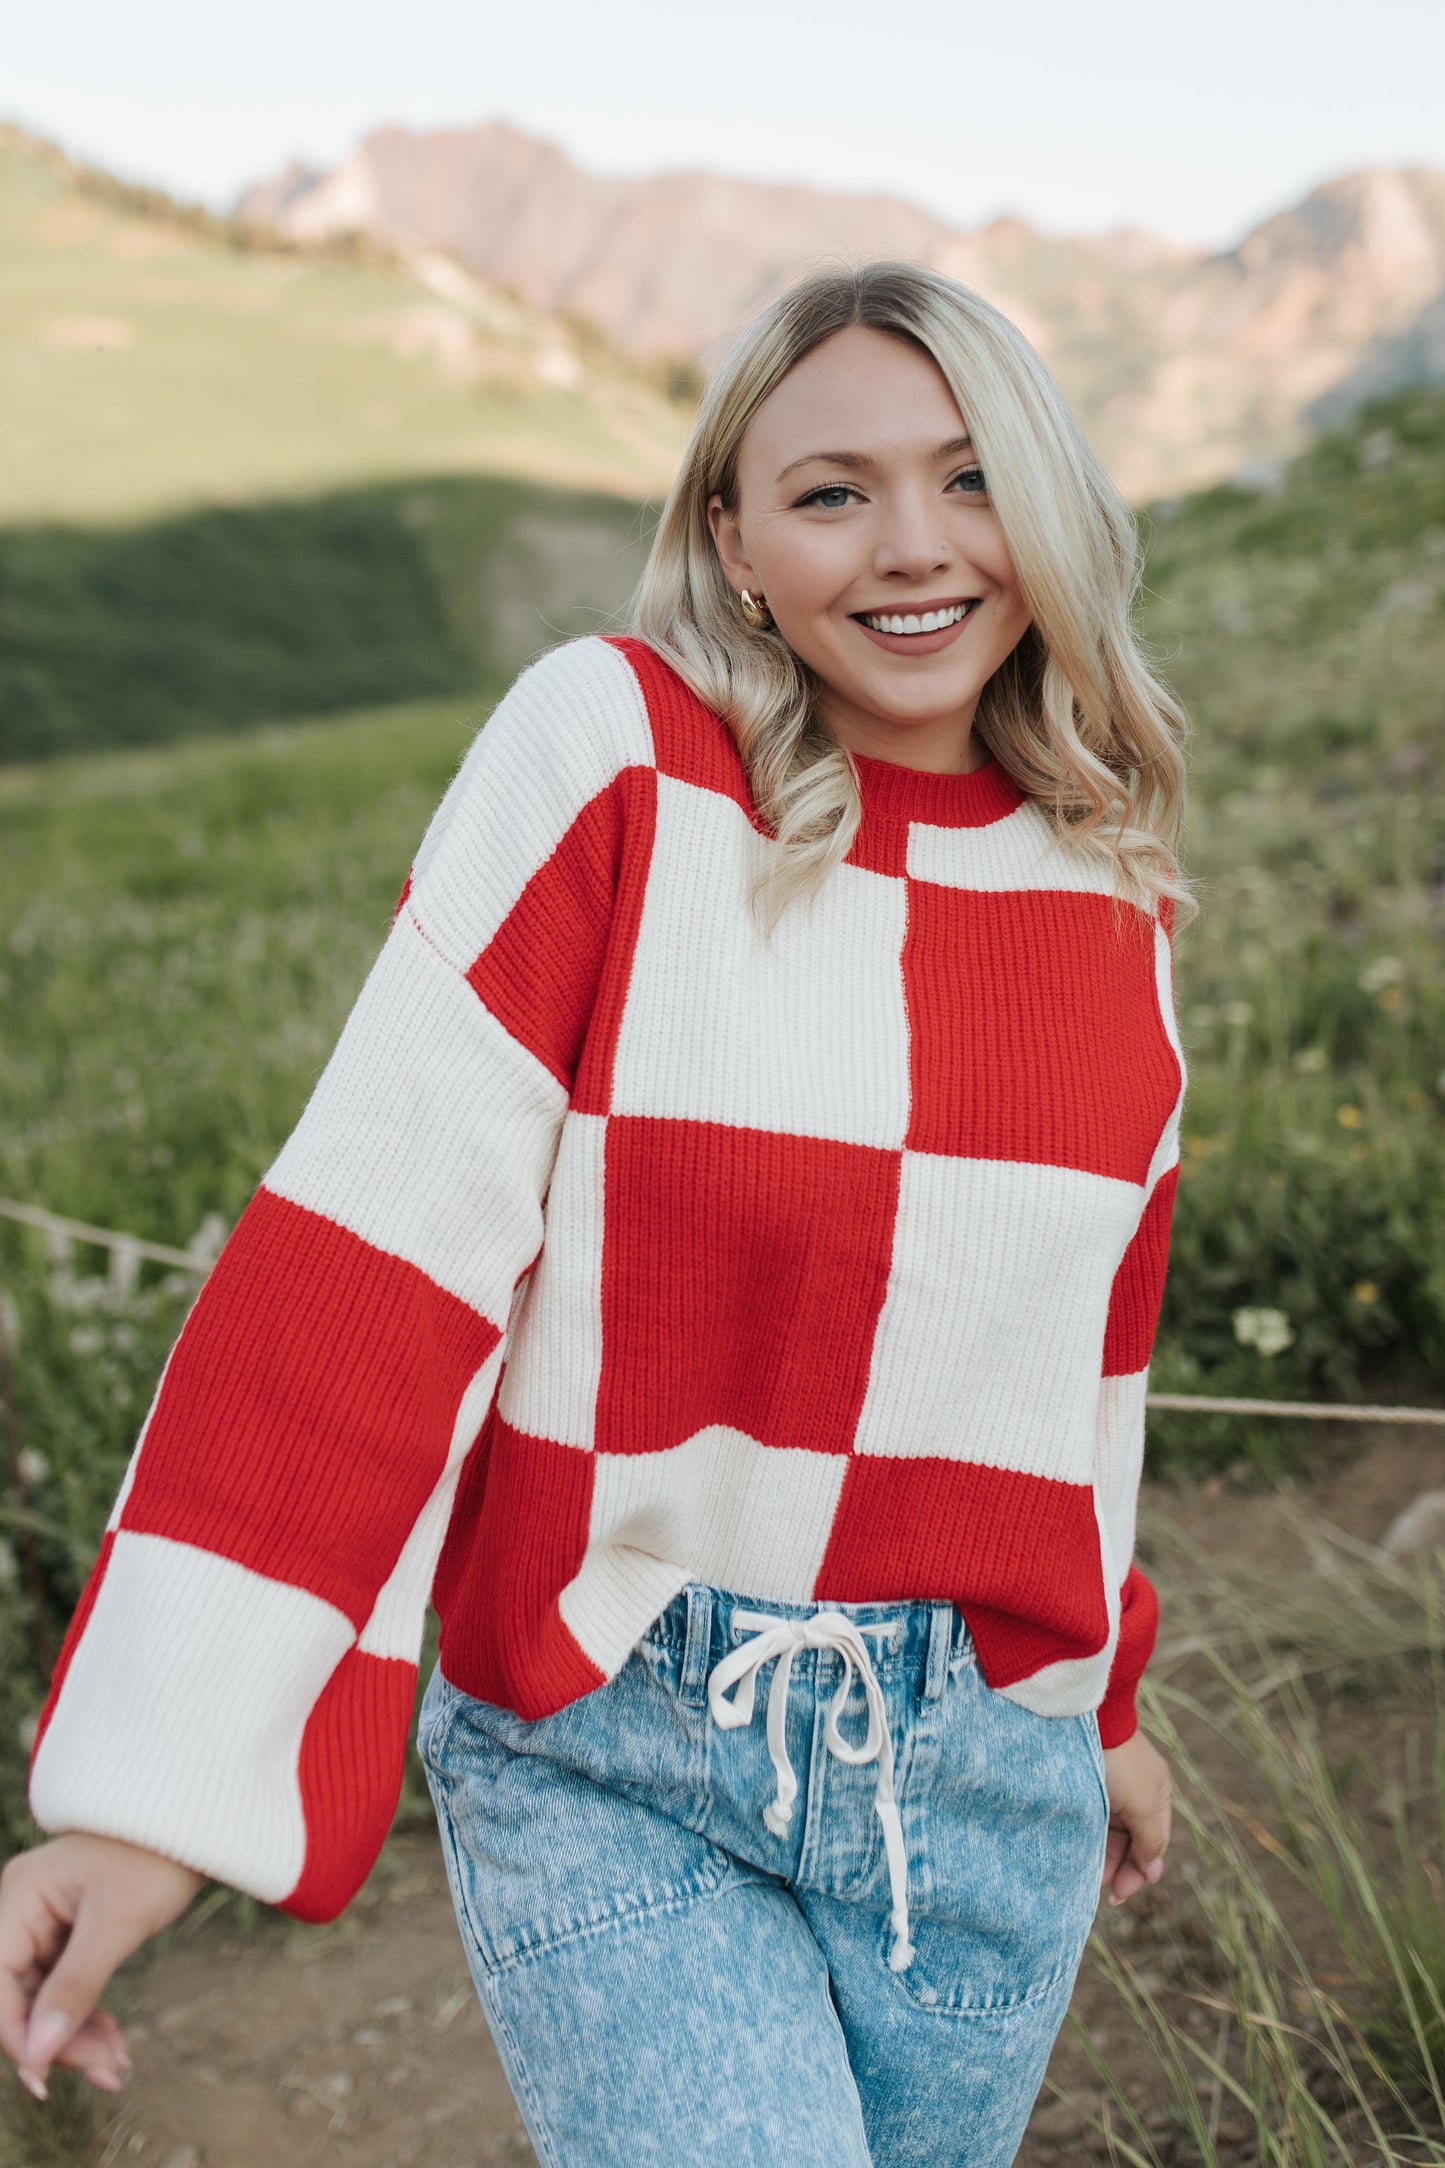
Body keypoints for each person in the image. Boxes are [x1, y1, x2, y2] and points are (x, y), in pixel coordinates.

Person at [0, 260, 1189, 2166]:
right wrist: (156, 1792)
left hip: (985, 1781)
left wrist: (1096, 1697)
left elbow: (1074, 1370)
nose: (914, 550)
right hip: (626, 1736)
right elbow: (375, 1256)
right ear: (727, 537)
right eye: (830, 492)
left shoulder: (1100, 889)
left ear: (1046, 507)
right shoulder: (614, 760)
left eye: (972, 481)